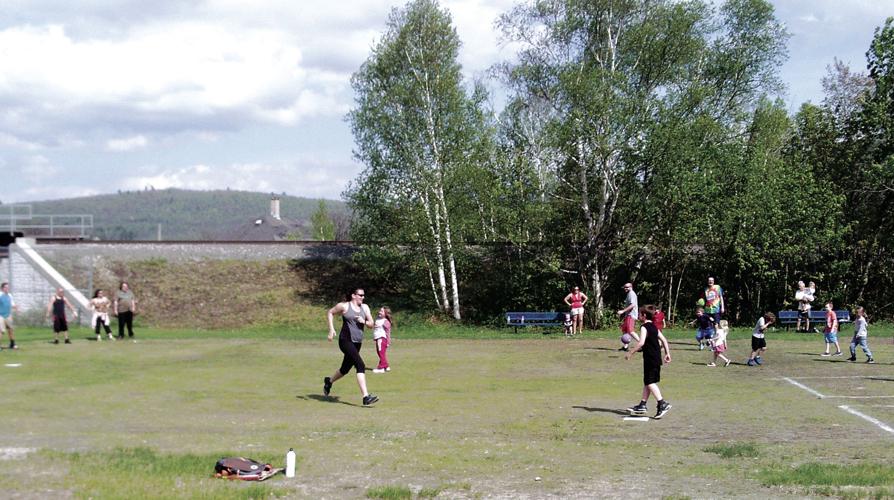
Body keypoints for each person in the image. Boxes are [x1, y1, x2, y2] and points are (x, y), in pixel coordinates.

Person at [323, 288, 378, 405]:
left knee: (345, 369)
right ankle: (366, 397)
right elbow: (330, 312)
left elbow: (371, 324)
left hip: (357, 342)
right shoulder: (344, 306)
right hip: (345, 340)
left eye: (364, 295)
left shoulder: (365, 307)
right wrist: (331, 329)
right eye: (360, 295)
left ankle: (329, 381)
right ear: (354, 295)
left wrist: (363, 321)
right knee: (360, 365)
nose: (363, 297)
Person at [625, 305, 672, 419]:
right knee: (648, 381)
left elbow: (641, 343)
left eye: (640, 314)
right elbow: (664, 340)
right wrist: (667, 353)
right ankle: (642, 404)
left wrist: (630, 352)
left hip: (651, 358)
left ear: (644, 315)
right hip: (656, 358)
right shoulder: (654, 327)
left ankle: (662, 403)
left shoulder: (644, 327)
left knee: (650, 382)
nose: (639, 316)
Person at [617, 283, 638, 351]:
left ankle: (643, 344)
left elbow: (632, 305)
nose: (625, 288)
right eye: (624, 287)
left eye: (627, 287)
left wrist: (623, 311)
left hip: (631, 315)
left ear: (631, 287)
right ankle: (625, 347)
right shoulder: (629, 294)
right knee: (624, 330)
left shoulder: (632, 294)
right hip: (628, 315)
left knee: (631, 331)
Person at [371, 306, 393, 374]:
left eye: (382, 311)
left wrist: (388, 342)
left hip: (382, 339)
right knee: (380, 353)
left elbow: (388, 332)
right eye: (380, 310)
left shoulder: (385, 322)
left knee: (381, 353)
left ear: (385, 314)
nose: (379, 312)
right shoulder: (378, 319)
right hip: (378, 338)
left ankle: (381, 368)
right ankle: (386, 366)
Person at [0, 282, 19, 350]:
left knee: (10, 329)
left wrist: (16, 308)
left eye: (8, 287)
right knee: (1, 331)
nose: (7, 288)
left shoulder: (10, 295)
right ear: (2, 288)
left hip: (8, 315)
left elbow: (12, 304)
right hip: (1, 315)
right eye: (6, 287)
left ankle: (12, 344)